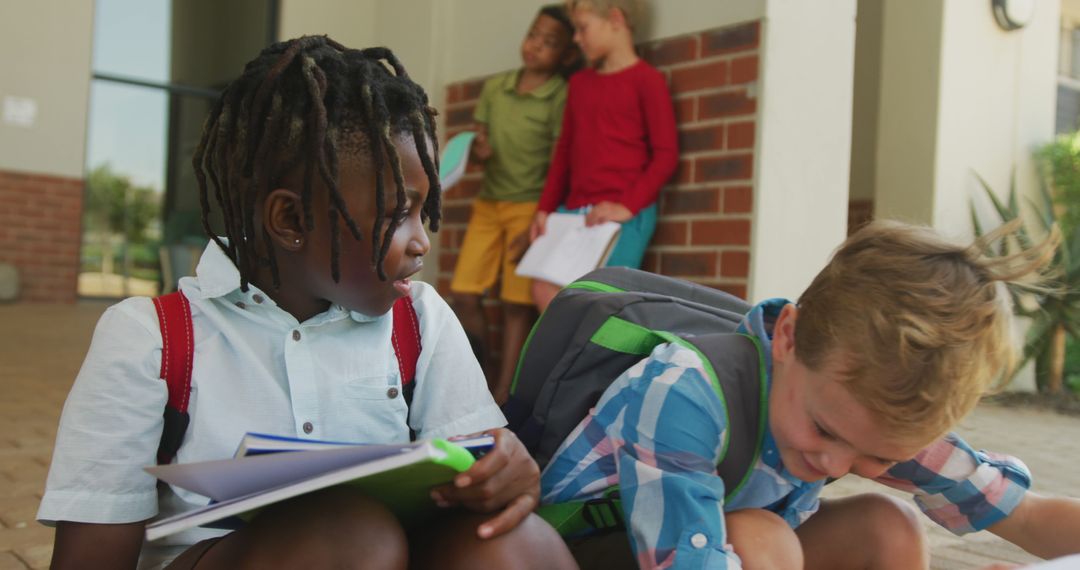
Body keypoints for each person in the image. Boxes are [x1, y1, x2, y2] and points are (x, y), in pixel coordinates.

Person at [37, 36, 575, 570]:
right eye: (397, 215)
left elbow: (479, 467)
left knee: (511, 543)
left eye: (423, 211)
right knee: (347, 538)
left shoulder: (421, 319)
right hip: (250, 555)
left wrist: (507, 472)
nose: (421, 241)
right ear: (292, 221)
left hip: (390, 550)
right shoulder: (151, 340)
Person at [541, 220, 1080, 569]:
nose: (838, 463)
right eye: (825, 430)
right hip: (588, 553)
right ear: (788, 336)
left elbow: (1026, 516)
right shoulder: (685, 392)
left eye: (881, 456)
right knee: (763, 538)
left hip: (702, 547)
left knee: (888, 526)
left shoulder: (874, 413)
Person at [450, 4, 579, 404]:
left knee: (515, 305)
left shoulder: (560, 94)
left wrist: (541, 217)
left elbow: (561, 157)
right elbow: (480, 144)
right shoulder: (497, 88)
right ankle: (478, 377)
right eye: (533, 35)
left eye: (549, 43)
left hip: (529, 209)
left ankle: (504, 390)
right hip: (489, 203)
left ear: (567, 55)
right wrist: (480, 150)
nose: (536, 46)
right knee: (465, 294)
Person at [529, 0, 678, 312]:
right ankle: (575, 359)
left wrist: (626, 206)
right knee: (543, 287)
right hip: (575, 213)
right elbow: (565, 153)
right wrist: (544, 208)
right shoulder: (580, 84)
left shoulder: (647, 81)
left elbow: (666, 155)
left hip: (624, 215)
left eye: (583, 28)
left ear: (615, 19)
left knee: (600, 298)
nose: (577, 39)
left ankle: (586, 359)